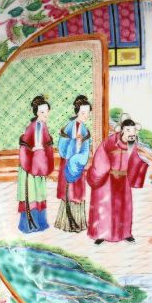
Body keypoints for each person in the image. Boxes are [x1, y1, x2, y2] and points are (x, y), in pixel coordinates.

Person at [87, 114, 148, 244]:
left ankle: (125, 233)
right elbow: (101, 155)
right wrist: (102, 170)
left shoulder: (132, 144)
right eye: (128, 130)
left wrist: (141, 166)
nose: (131, 133)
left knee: (123, 208)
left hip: (123, 179)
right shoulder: (110, 141)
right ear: (122, 130)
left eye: (133, 130)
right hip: (108, 179)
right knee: (105, 207)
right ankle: (101, 234)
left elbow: (134, 160)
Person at [55, 95, 92, 233]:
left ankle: (79, 222)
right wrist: (74, 143)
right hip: (67, 164)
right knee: (68, 193)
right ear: (77, 112)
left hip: (79, 165)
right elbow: (62, 149)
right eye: (83, 113)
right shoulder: (69, 127)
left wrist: (80, 157)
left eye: (87, 113)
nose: (85, 116)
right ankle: (66, 222)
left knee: (77, 193)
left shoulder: (85, 130)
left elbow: (86, 150)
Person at [17, 95, 54, 233]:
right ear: (37, 112)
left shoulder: (43, 126)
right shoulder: (32, 126)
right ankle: (29, 225)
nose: (45, 114)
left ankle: (40, 222)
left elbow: (46, 144)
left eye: (47, 111)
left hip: (40, 165)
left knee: (39, 194)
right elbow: (26, 145)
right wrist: (32, 155)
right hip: (30, 167)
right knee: (31, 195)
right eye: (42, 112)